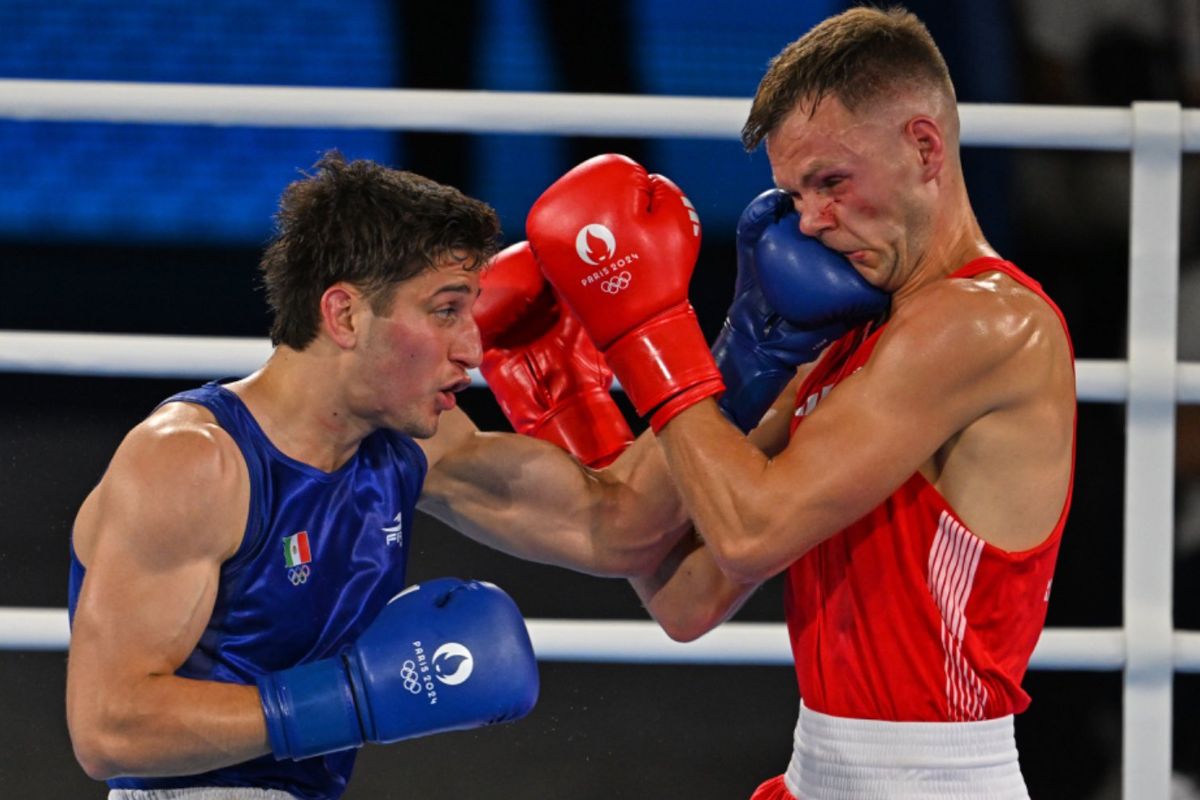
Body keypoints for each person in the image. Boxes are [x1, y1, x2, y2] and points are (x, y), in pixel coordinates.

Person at [527, 7, 1076, 799]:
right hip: (817, 773)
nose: (811, 220)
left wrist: (650, 331)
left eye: (831, 182)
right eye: (793, 193)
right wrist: (576, 404)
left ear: (924, 147)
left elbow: (751, 533)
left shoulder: (982, 323)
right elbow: (686, 599)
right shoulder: (849, 342)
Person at [65, 151, 689, 799]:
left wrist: (754, 350)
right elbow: (110, 729)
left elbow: (617, 527)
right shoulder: (194, 461)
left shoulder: (410, 444)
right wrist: (353, 699)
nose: (473, 350)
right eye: (446, 311)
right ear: (345, 315)